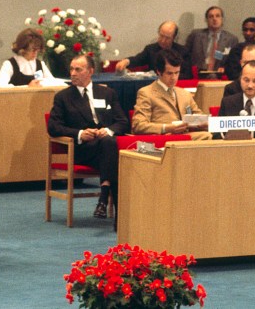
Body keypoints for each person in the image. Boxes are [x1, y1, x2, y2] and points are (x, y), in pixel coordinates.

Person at [48, 54, 129, 219]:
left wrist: (108, 130)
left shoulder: (107, 93)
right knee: (111, 148)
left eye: (78, 69)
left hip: (104, 148)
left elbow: (123, 122)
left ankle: (104, 199)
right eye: (71, 69)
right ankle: (111, 203)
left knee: (108, 142)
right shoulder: (63, 97)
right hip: (81, 149)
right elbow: (53, 127)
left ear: (91, 71)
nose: (73, 73)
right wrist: (80, 134)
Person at [131, 50, 211, 139]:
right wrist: (166, 128)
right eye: (169, 73)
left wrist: (204, 123)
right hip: (163, 138)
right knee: (206, 136)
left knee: (212, 134)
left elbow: (199, 116)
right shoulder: (146, 93)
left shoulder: (184, 94)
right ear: (159, 72)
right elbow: (138, 125)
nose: (174, 77)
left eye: (177, 73)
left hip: (184, 137)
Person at [114, 21, 192, 79]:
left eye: (167, 38)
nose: (163, 40)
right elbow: (137, 59)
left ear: (174, 38)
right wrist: (126, 61)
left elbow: (187, 75)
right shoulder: (150, 49)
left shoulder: (183, 52)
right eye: (161, 36)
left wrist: (167, 76)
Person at [183, 6, 238, 75]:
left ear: (222, 19)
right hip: (197, 74)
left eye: (217, 16)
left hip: (219, 75)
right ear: (206, 20)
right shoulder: (195, 35)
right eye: (211, 16)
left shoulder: (231, 39)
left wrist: (225, 68)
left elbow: (233, 62)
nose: (214, 19)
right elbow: (185, 55)